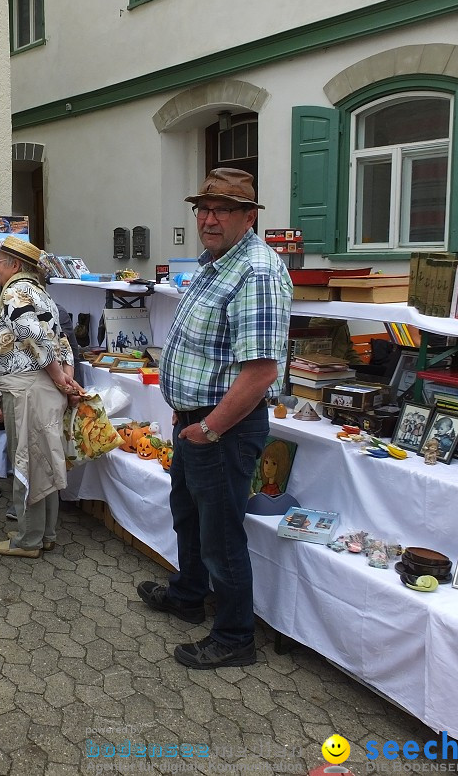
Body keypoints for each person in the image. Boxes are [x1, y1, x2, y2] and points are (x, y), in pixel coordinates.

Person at [137, 168, 292, 669]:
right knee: (188, 514)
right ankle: (187, 596)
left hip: (222, 428)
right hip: (196, 421)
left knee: (222, 534)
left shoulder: (257, 272)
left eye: (223, 209)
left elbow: (261, 371)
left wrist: (211, 428)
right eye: (203, 208)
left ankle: (234, 637)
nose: (209, 218)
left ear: (249, 216)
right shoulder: (215, 263)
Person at [0, 236, 82, 558]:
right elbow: (62, 340)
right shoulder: (43, 295)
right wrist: (64, 378)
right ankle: (45, 534)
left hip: (27, 390)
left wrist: (57, 375)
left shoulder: (15, 292)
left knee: (27, 462)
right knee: (43, 461)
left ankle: (28, 540)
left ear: (15, 265)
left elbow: (31, 334)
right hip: (39, 390)